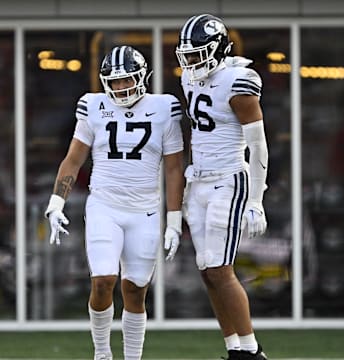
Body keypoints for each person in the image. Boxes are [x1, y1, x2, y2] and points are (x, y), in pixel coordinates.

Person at [45, 45, 184, 360]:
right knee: (104, 280)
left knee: (135, 289)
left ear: (142, 77)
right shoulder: (93, 106)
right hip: (104, 206)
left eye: (126, 80)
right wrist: (57, 201)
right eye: (114, 81)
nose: (120, 87)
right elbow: (73, 159)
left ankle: (132, 357)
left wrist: (174, 220)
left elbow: (175, 167)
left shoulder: (164, 108)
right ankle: (102, 354)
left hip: (145, 209)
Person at [176, 14, 269, 360]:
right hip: (199, 179)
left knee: (220, 268)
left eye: (198, 53)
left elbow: (257, 146)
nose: (191, 62)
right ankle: (234, 347)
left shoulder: (239, 80)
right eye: (187, 54)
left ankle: (251, 350)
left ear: (217, 49)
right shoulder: (190, 77)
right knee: (206, 269)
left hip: (228, 179)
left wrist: (256, 200)